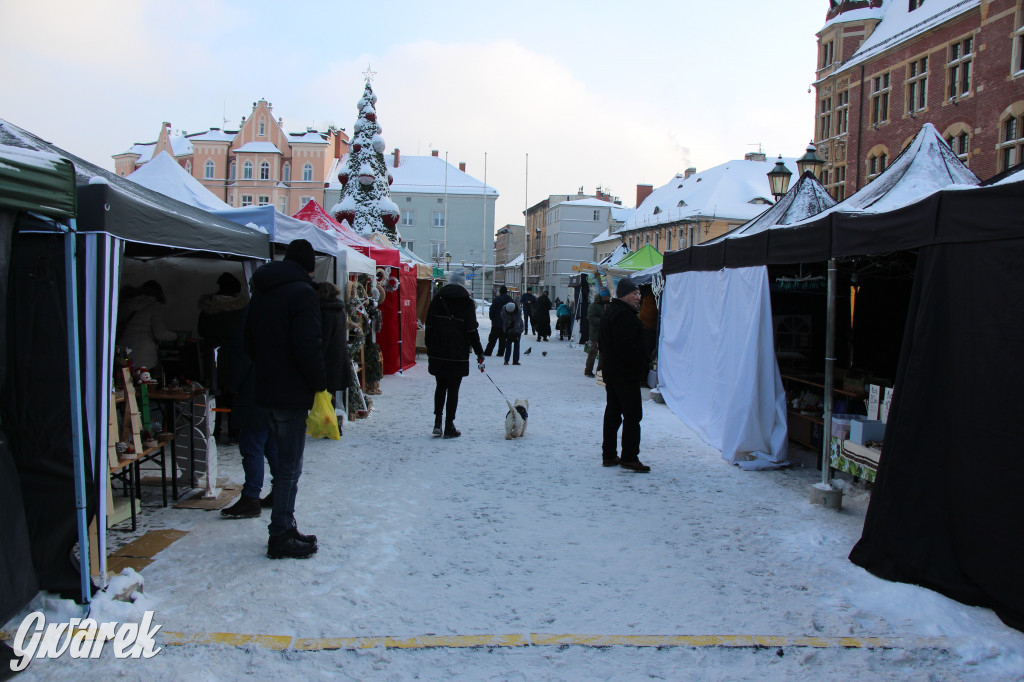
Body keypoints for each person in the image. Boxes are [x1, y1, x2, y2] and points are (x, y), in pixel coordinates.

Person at [244, 239, 327, 559]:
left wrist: (267, 366)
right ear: (308, 266)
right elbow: (309, 344)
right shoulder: (303, 294)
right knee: (290, 467)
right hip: (291, 392)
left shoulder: (262, 290)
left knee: (280, 462)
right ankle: (280, 533)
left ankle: (284, 525)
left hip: (265, 387)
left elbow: (248, 341)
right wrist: (319, 383)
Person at [220, 304, 278, 519]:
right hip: (276, 387)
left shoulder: (251, 313)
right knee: (271, 443)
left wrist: (231, 385)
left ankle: (251, 497)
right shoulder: (284, 309)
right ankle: (280, 491)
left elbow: (240, 354)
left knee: (253, 444)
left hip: (254, 388)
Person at [425, 270, 485, 438]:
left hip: (438, 351)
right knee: (453, 390)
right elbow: (472, 331)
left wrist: (429, 346)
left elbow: (428, 324)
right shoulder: (467, 303)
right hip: (457, 353)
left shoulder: (437, 299)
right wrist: (479, 353)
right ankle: (449, 425)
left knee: (440, 386)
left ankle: (437, 422)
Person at [599, 278, 650, 472]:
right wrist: (640, 363)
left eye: (639, 294)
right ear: (624, 295)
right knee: (632, 415)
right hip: (625, 373)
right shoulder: (623, 315)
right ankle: (629, 456)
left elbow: (604, 344)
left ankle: (609, 454)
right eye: (635, 294)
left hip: (613, 371)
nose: (638, 297)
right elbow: (626, 347)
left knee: (613, 413)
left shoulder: (611, 312)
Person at [198, 272, 247, 443]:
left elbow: (201, 331)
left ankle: (214, 431)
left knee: (214, 395)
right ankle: (234, 432)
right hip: (234, 356)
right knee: (234, 395)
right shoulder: (240, 310)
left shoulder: (208, 309)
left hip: (212, 356)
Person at [117, 280, 177, 373]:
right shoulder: (155, 305)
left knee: (123, 380)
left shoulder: (127, 302)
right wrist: (175, 336)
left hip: (123, 348)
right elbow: (159, 333)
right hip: (144, 353)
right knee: (144, 381)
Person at [317, 281, 353, 406]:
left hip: (328, 360)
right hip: (338, 358)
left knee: (323, 398)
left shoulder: (325, 311)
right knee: (329, 397)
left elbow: (324, 339)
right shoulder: (339, 309)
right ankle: (331, 421)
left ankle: (327, 423)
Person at [585, 287, 610, 378]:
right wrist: (603, 321)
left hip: (604, 333)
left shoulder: (607, 305)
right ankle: (588, 370)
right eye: (606, 297)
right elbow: (591, 318)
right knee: (593, 352)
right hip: (595, 333)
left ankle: (600, 370)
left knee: (603, 352)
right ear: (602, 297)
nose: (607, 298)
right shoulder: (594, 306)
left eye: (608, 297)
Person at [483, 286, 512, 357]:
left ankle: (488, 352)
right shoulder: (510, 300)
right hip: (506, 323)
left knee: (492, 338)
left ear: (500, 292)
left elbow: (492, 310)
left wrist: (492, 318)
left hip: (497, 322)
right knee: (503, 339)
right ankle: (501, 352)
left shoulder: (497, 299)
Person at [501, 300, 524, 366]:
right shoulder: (504, 309)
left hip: (518, 328)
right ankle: (506, 360)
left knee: (517, 344)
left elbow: (518, 322)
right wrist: (505, 330)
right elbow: (504, 320)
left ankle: (515, 361)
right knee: (508, 344)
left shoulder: (519, 311)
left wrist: (515, 331)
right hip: (508, 327)